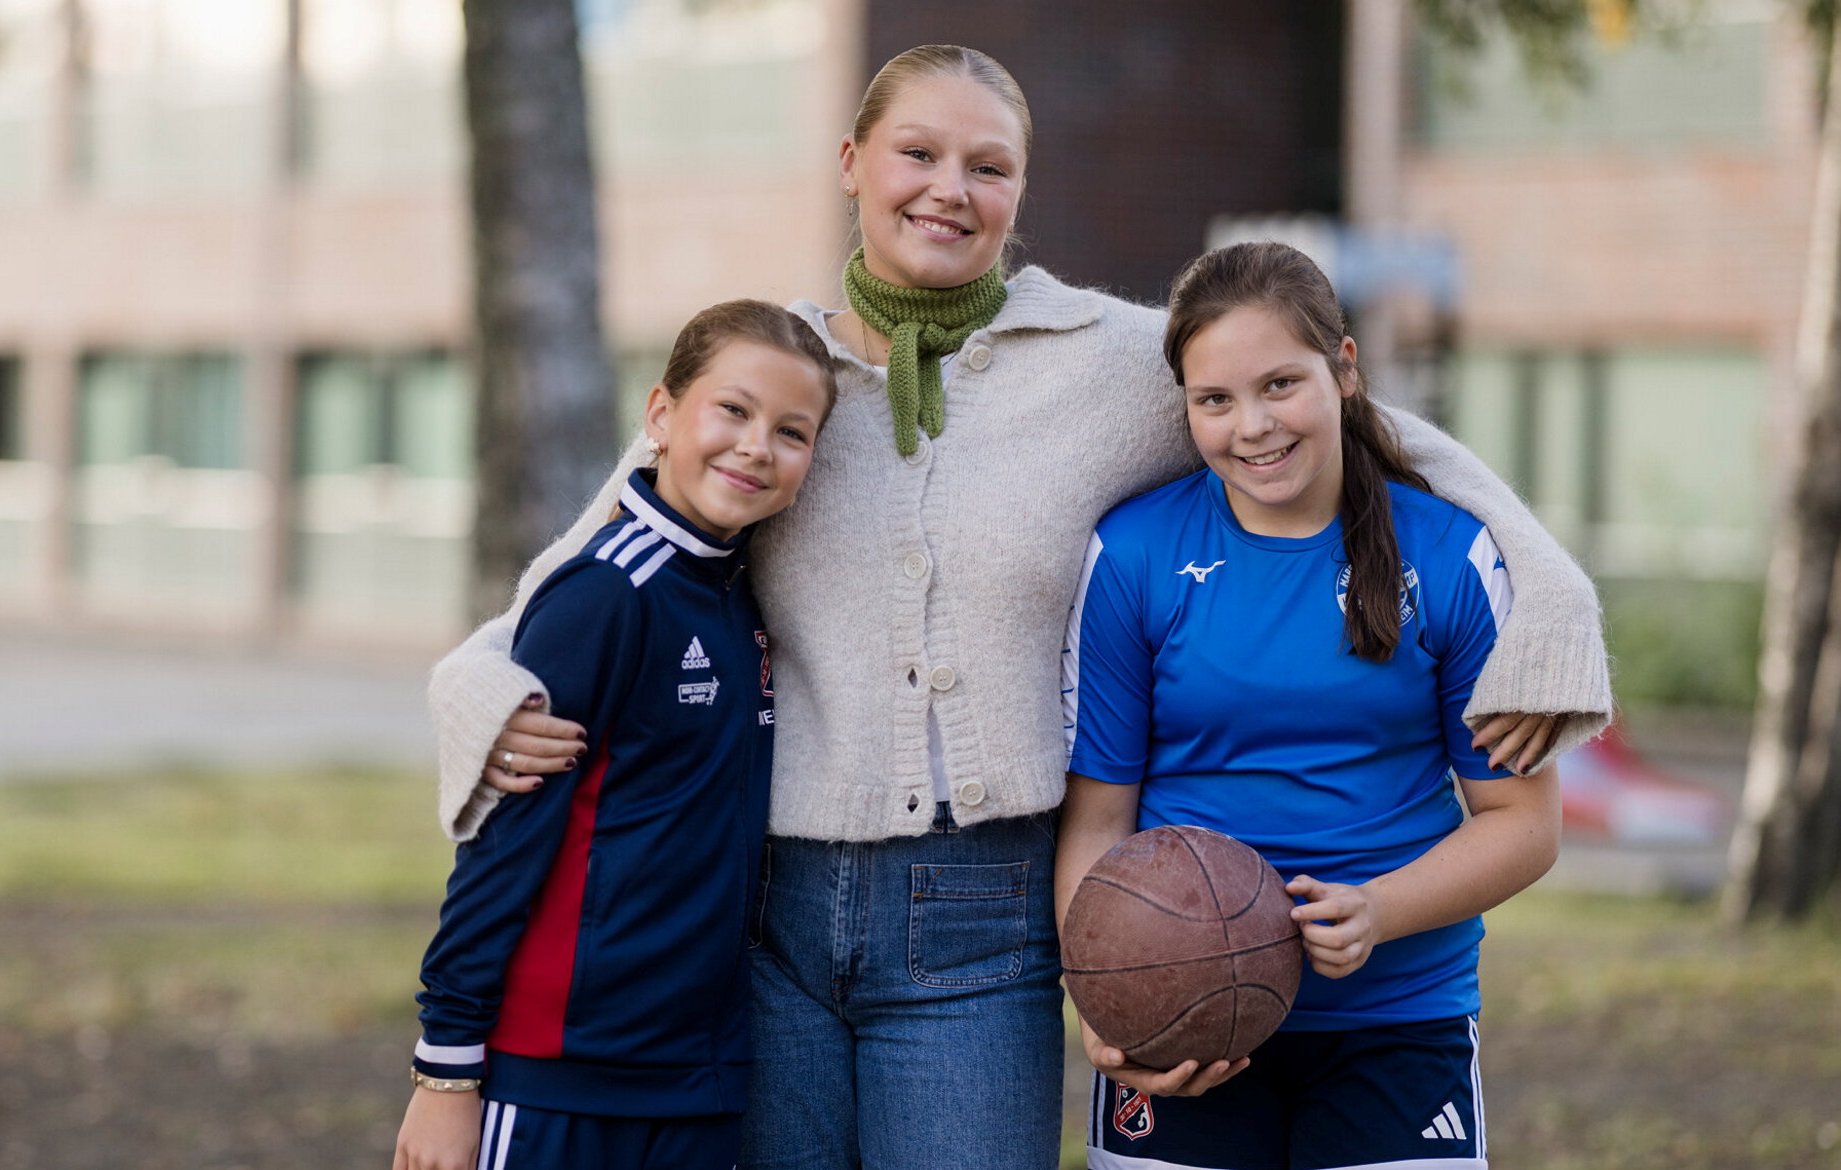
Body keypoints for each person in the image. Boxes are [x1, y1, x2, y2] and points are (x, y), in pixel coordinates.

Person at [428, 46, 1612, 1170]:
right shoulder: (777, 382)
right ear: (851, 163)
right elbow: (604, 547)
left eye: (987, 166)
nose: (949, 190)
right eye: (917, 155)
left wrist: (1550, 597)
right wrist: (473, 681)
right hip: (765, 915)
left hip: (981, 909)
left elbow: (1340, 423)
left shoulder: (1109, 362)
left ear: (1020, 189)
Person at [1057, 240, 1563, 1170]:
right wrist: (1108, 995)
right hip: (1184, 1025)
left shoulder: (1453, 557)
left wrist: (1378, 909)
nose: (1252, 425)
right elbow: (1098, 821)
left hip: (1399, 1018)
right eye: (1215, 400)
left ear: (1345, 370)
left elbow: (1524, 823)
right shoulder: (1132, 555)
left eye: (1280, 384)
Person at [394, 300, 843, 1170]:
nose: (757, 445)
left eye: (793, 432)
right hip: (556, 1075)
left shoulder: (742, 597)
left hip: (698, 1077)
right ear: (661, 415)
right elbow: (503, 843)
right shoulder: (605, 593)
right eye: (734, 410)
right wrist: (445, 1073)